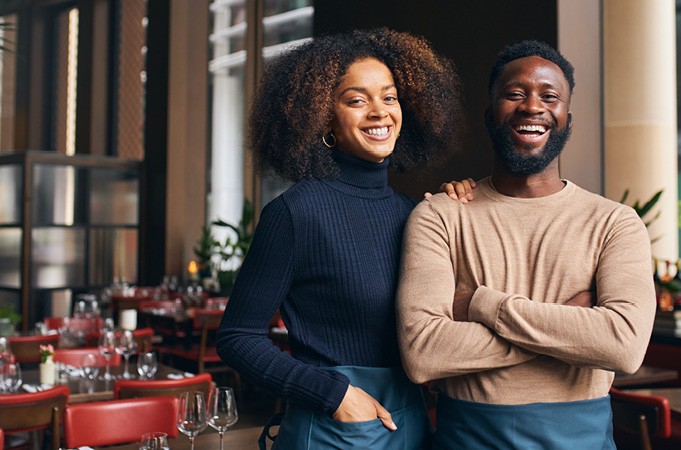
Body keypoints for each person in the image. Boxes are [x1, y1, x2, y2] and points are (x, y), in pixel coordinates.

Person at [216, 28, 469, 450]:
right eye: (356, 100)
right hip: (337, 428)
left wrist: (462, 207)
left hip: (413, 425)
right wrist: (334, 396)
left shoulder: (415, 213)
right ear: (322, 116)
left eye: (389, 97)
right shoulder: (296, 213)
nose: (379, 112)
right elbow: (237, 337)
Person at [396, 40, 656, 449]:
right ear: (489, 115)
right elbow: (423, 353)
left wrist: (481, 304)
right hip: (470, 438)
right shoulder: (440, 216)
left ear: (567, 120)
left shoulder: (615, 223)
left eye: (549, 97)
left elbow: (624, 346)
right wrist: (570, 328)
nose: (532, 106)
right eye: (515, 94)